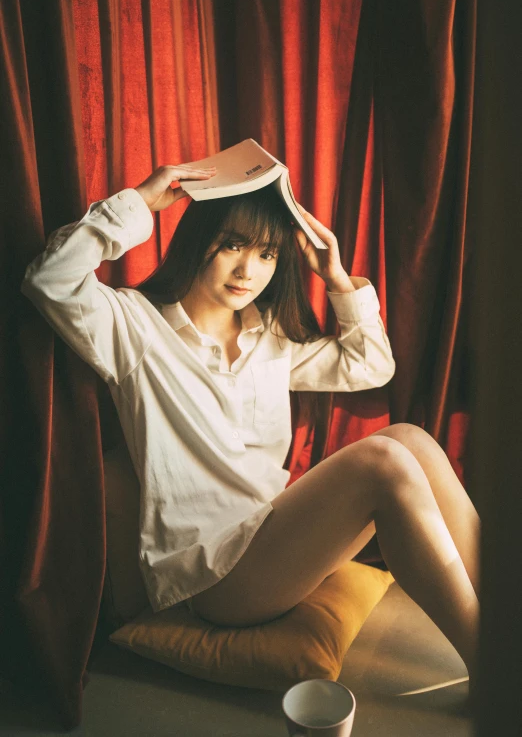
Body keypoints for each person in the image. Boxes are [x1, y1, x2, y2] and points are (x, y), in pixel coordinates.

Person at [21, 163, 479, 684]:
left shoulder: (270, 342)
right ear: (198, 242)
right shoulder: (136, 326)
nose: (248, 271)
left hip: (278, 540)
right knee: (384, 460)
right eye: (233, 245)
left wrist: (335, 278)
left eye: (266, 254)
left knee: (411, 439)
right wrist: (139, 203)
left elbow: (370, 366)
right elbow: (48, 279)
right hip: (216, 578)